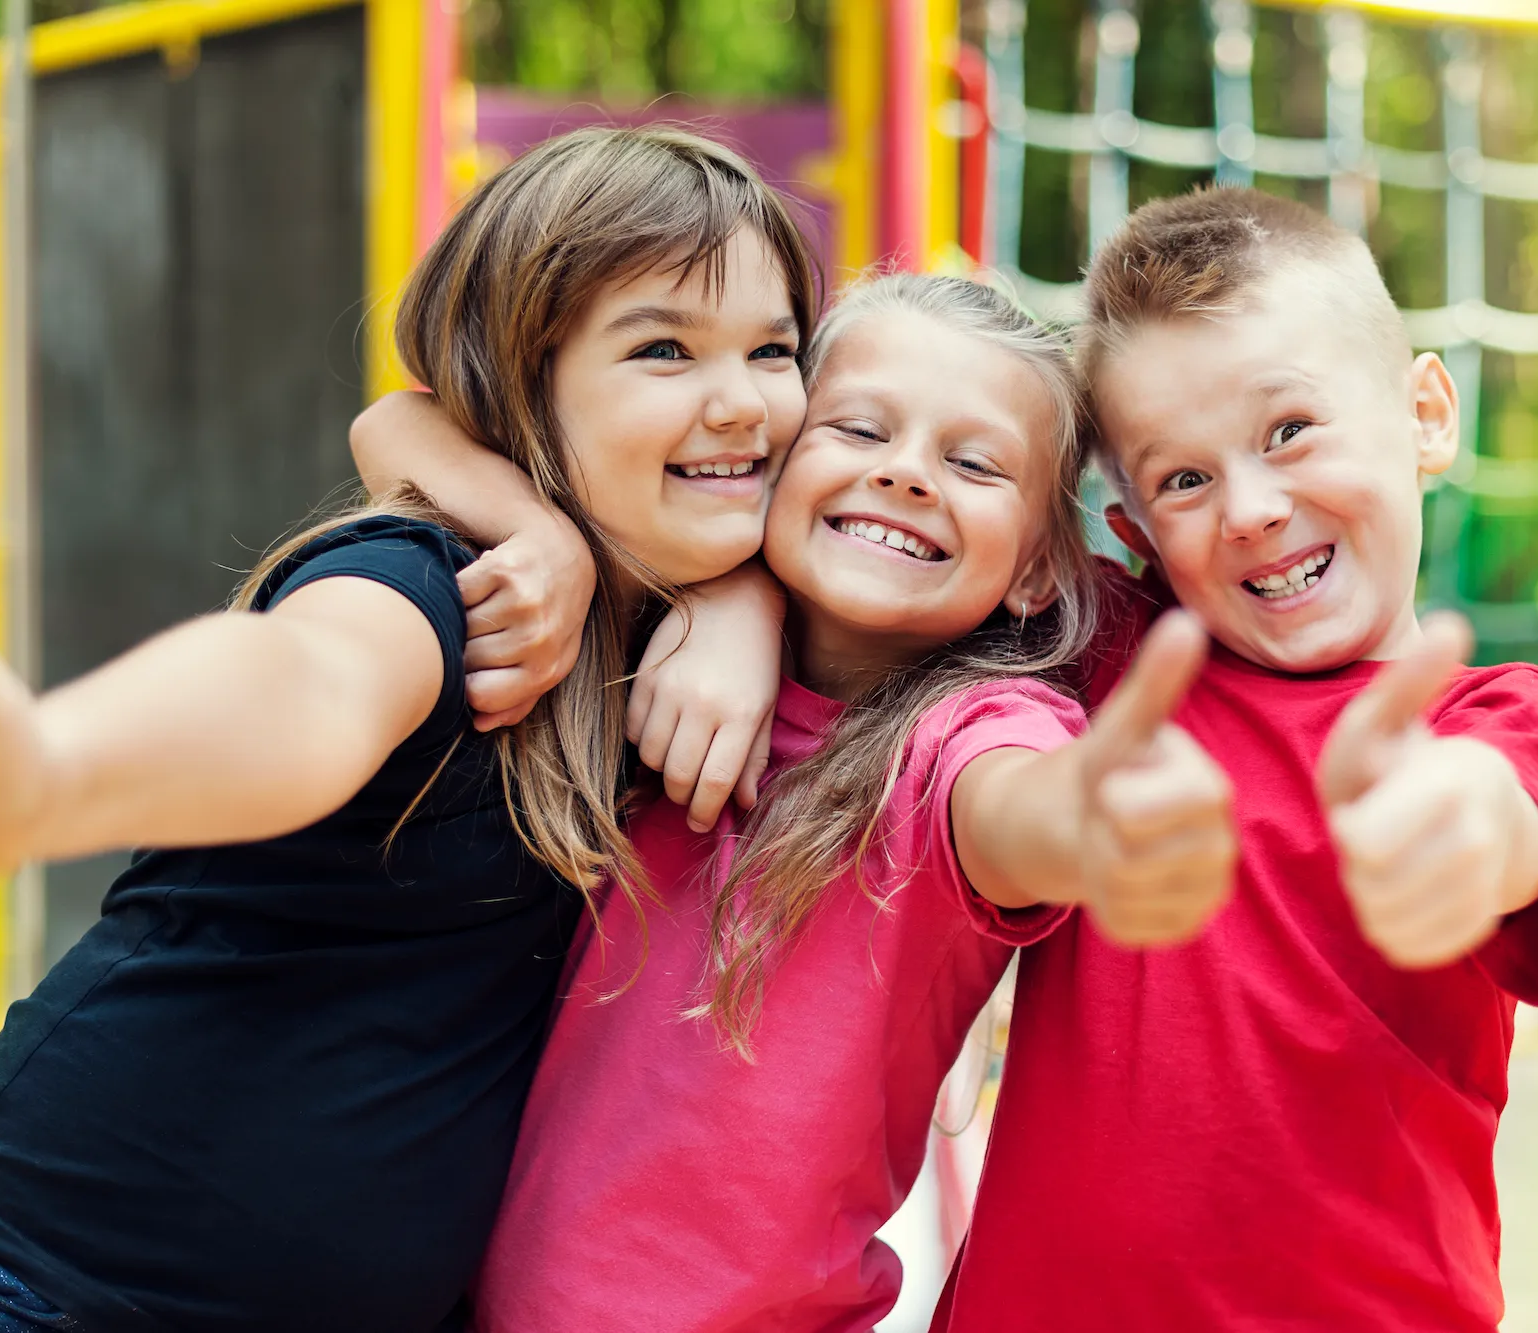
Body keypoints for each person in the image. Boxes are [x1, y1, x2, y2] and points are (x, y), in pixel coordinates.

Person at [0, 126, 816, 1333]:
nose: (741, 400)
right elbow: (304, 684)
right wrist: (55, 769)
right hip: (63, 1286)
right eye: (661, 347)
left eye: (774, 348)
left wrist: (744, 600)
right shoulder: (442, 592)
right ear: (520, 387)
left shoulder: (688, 616)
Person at [355, 272, 1230, 1332]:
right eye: (858, 429)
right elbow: (394, 424)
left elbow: (1013, 807)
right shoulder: (643, 614)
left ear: (1037, 571)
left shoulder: (966, 732)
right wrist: (707, 586)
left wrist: (1094, 822)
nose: (905, 475)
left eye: (971, 463)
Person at [930, 186, 1538, 1332]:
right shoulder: (1105, 656)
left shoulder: (1501, 722)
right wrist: (732, 622)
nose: (1247, 507)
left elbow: (1497, 819)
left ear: (1425, 414)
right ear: (1134, 535)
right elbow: (864, 574)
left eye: (1288, 430)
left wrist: (1444, 826)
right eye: (1182, 479)